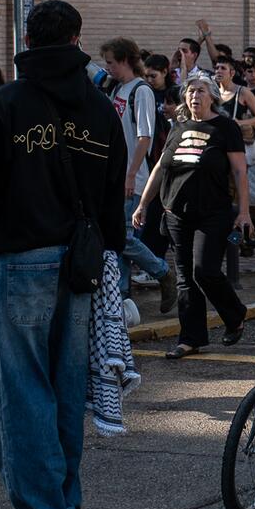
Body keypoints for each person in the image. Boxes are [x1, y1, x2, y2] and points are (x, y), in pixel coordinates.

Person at [0, 0, 126, 509]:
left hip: (16, 261)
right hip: (77, 264)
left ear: (28, 38)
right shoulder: (101, 111)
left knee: (17, 394)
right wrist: (110, 260)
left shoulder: (4, 104)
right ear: (77, 40)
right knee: (64, 390)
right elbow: (112, 194)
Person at [134, 71, 250, 359]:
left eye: (201, 91)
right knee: (185, 277)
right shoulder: (178, 127)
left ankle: (235, 314)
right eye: (191, 91)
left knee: (205, 271)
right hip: (176, 212)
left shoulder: (225, 127)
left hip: (213, 212)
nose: (195, 96)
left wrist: (245, 211)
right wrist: (143, 205)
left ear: (212, 96)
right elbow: (161, 168)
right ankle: (190, 338)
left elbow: (239, 171)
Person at [99, 37, 172, 311]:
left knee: (122, 237)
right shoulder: (117, 87)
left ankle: (162, 271)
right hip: (114, 174)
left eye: (111, 62)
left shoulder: (140, 91)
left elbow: (145, 137)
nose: (108, 68)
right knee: (115, 240)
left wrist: (130, 175)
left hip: (131, 175)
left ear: (126, 60)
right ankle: (122, 298)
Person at [213, 56, 255, 221]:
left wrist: (240, 123)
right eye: (216, 68)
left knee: (237, 192)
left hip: (237, 147)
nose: (218, 72)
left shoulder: (242, 92)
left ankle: (242, 236)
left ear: (232, 72)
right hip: (217, 147)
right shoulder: (213, 92)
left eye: (223, 68)